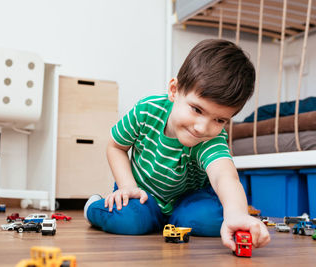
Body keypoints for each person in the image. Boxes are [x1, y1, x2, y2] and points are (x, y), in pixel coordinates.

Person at [84, 39, 270, 251]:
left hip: (188, 200)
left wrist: (236, 214)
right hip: (141, 192)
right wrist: (128, 186)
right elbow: (116, 146)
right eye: (197, 110)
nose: (202, 127)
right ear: (174, 90)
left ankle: (176, 219)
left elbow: (224, 176)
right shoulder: (147, 110)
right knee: (128, 220)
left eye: (219, 120)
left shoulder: (211, 138)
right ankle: (93, 206)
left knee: (212, 219)